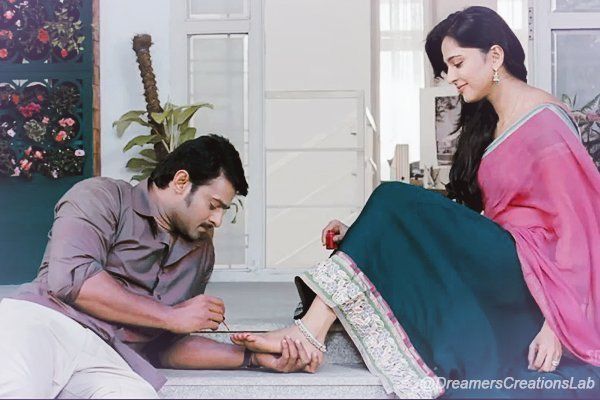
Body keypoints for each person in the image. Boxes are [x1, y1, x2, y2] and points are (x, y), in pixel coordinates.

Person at [231, 7, 600, 398]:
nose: (452, 77)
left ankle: (308, 333)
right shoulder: (491, 122)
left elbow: (581, 228)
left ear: (494, 56)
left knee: (392, 196)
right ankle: (311, 330)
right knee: (394, 211)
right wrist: (365, 235)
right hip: (504, 259)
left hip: (532, 275)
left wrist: (555, 322)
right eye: (447, 67)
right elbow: (474, 219)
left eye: (457, 63)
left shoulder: (545, 120)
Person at [0, 134, 317, 399]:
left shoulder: (200, 253)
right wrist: (170, 315)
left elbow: (165, 344)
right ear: (181, 181)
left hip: (109, 356)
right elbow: (71, 280)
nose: (217, 220)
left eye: (224, 210)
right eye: (213, 205)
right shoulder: (102, 197)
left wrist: (252, 358)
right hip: (45, 324)